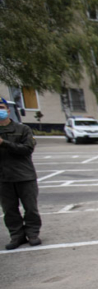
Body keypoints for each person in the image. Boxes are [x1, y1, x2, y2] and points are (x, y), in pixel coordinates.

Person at [0, 98, 42, 250]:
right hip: (3, 178)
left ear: (8, 110)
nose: (0, 110)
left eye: (1, 107)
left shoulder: (22, 129)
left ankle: (32, 233)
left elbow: (27, 149)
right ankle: (16, 236)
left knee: (30, 207)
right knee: (9, 209)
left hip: (24, 175)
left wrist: (4, 143)